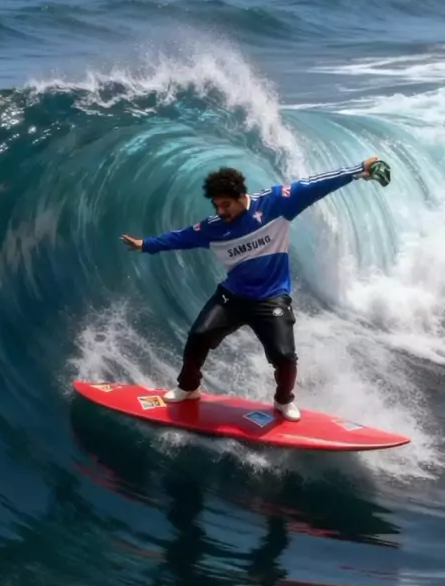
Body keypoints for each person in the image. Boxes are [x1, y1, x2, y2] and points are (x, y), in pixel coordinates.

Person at [121, 155, 382, 421]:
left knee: (284, 356)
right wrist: (146, 244)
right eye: (216, 206)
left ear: (240, 196)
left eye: (226, 205)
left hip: (271, 297)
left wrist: (359, 169)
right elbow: (181, 237)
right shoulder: (214, 227)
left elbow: (315, 185)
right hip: (232, 296)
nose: (221, 212)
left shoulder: (276, 203)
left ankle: (283, 401)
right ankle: (189, 387)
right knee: (199, 335)